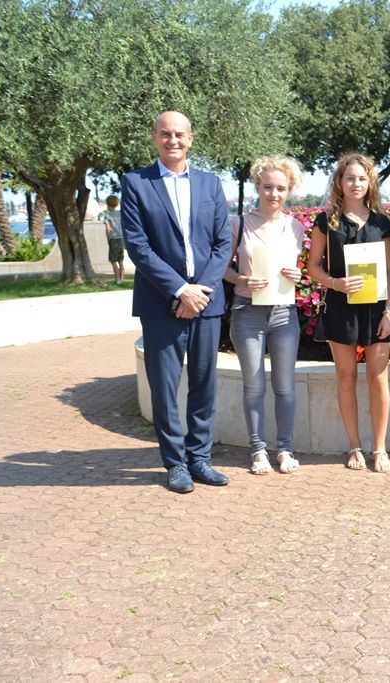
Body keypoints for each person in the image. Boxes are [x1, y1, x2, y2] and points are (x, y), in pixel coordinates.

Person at [122, 111, 232, 494]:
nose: (173, 141)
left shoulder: (210, 184)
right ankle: (175, 464)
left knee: (204, 384)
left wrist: (198, 291)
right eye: (166, 134)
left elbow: (223, 243)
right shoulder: (136, 183)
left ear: (191, 138)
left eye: (180, 135)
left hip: (206, 303)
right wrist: (180, 290)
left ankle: (200, 458)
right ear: (155, 137)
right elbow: (138, 246)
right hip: (160, 304)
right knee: (165, 388)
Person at [307, 154, 390, 473]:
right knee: (346, 377)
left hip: (377, 308)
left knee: (378, 377)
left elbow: (389, 269)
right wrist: (336, 283)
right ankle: (354, 445)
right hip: (340, 306)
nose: (356, 184)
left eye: (362, 178)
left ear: (369, 182)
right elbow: (313, 267)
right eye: (350, 178)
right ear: (339, 182)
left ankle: (380, 448)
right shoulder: (326, 221)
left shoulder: (381, 223)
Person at [223, 156, 305, 476]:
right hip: (247, 311)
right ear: (257, 186)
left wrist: (298, 276)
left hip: (284, 312)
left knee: (285, 387)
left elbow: (297, 270)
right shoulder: (238, 224)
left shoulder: (295, 227)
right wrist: (242, 280)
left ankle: (285, 449)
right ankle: (258, 450)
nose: (274, 193)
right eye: (268, 187)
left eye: (281, 188)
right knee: (254, 386)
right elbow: (222, 269)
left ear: (289, 191)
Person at [102, 195, 126, 284]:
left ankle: (117, 279)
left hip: (114, 239)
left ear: (107, 204)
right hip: (122, 239)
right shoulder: (120, 213)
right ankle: (122, 279)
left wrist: (108, 239)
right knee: (120, 261)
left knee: (113, 261)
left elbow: (108, 229)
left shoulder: (106, 214)